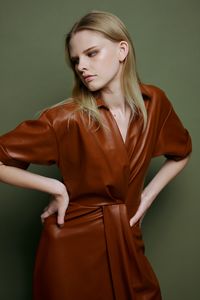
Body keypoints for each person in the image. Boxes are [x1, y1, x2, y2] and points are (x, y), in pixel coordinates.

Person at [0, 10, 192, 300]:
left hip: (127, 239)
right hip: (70, 247)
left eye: (92, 53)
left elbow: (181, 152)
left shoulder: (155, 104)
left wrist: (146, 198)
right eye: (76, 60)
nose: (82, 66)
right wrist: (55, 187)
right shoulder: (66, 119)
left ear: (121, 50)